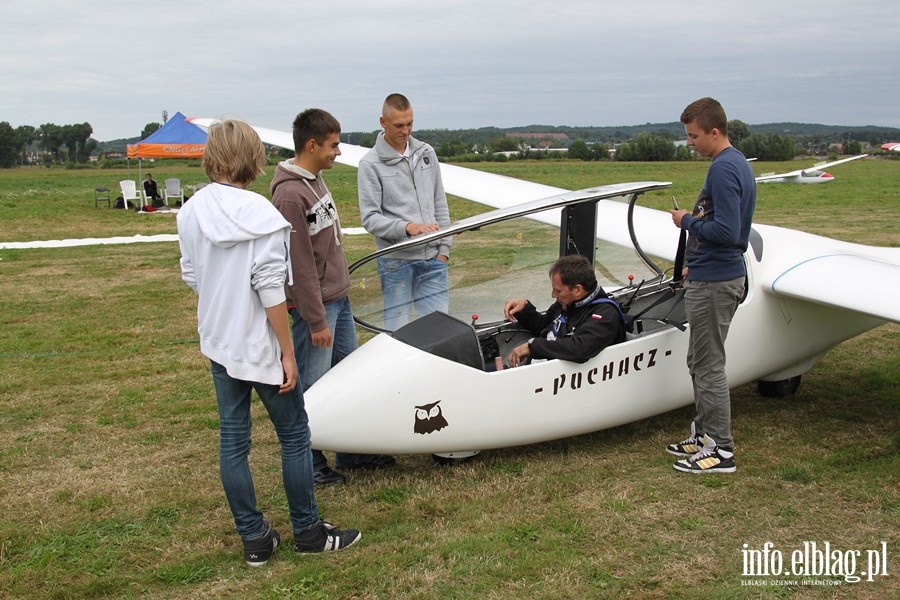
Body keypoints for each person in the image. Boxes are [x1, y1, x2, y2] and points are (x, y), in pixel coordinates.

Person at [176, 119, 361, 566]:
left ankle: (254, 538)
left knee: (233, 441)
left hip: (220, 343)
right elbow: (270, 286)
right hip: (262, 345)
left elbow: (192, 273)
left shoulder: (190, 211)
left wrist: (224, 308)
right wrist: (286, 351)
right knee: (295, 435)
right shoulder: (265, 215)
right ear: (252, 157)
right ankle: (308, 531)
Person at [271, 109, 395, 484]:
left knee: (348, 377)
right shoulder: (291, 195)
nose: (338, 151)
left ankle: (353, 451)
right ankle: (308, 462)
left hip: (337, 300)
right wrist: (315, 320)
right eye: (333, 144)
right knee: (312, 385)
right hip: (319, 308)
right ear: (312, 145)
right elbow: (300, 265)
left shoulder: (315, 181)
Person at [666, 97, 756, 474]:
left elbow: (728, 231)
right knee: (697, 360)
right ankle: (703, 434)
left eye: (693, 135)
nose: (689, 143)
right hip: (709, 275)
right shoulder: (733, 164)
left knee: (708, 366)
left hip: (717, 281)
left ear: (714, 132)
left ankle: (720, 450)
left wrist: (686, 221)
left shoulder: (723, 168)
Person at [358, 93, 452, 331]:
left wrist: (444, 251)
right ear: (383, 122)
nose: (406, 130)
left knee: (440, 332)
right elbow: (370, 219)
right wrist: (407, 228)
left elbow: (439, 202)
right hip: (396, 262)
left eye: (410, 123)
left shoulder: (427, 153)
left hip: (434, 260)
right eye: (399, 125)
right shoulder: (370, 164)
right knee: (397, 332)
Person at [503, 255, 626, 368]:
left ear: (578, 290)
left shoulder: (605, 314)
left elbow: (580, 348)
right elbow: (543, 326)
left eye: (558, 291)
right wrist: (524, 309)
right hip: (541, 370)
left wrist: (532, 347)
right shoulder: (568, 303)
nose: (553, 294)